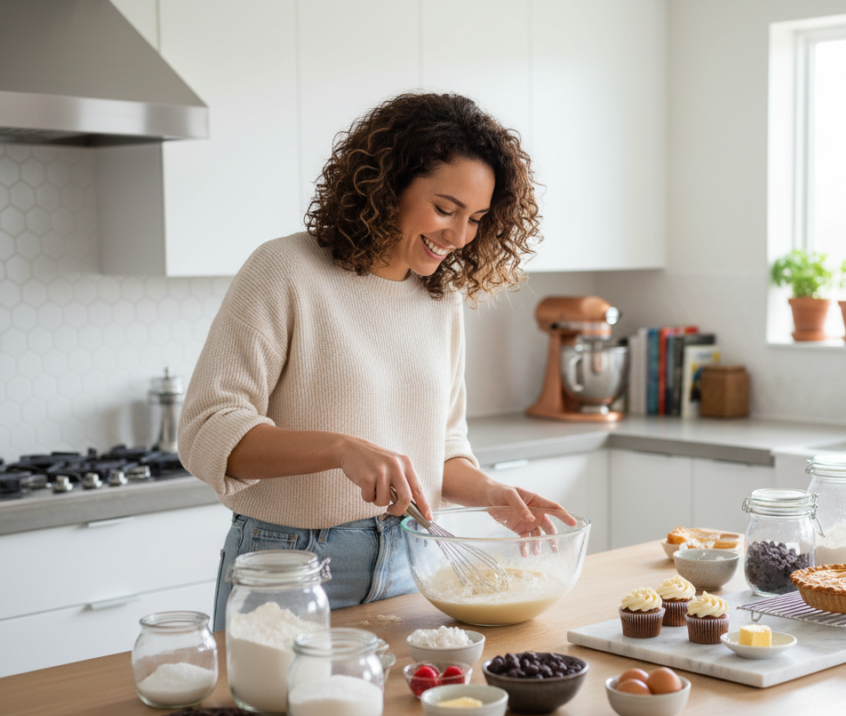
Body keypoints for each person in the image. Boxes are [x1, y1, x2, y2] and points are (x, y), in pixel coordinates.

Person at [178, 92, 568, 630]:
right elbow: (207, 435)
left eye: (476, 218)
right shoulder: (284, 271)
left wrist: (491, 492)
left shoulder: (441, 299)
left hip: (412, 560)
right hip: (290, 563)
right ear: (386, 187)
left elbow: (442, 446)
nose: (459, 237)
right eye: (445, 208)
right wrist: (342, 449)